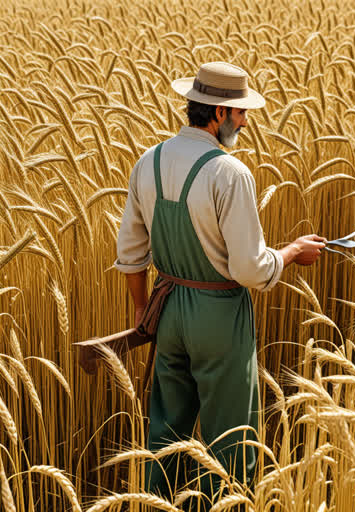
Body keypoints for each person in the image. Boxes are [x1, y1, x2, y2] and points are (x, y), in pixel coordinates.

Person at [114, 61, 326, 506]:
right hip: (219, 314)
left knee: (165, 436)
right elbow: (249, 270)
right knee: (231, 442)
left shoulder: (147, 162)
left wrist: (142, 313)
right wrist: (291, 253)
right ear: (218, 113)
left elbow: (131, 257)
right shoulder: (230, 173)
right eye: (240, 113)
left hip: (167, 308)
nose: (246, 121)